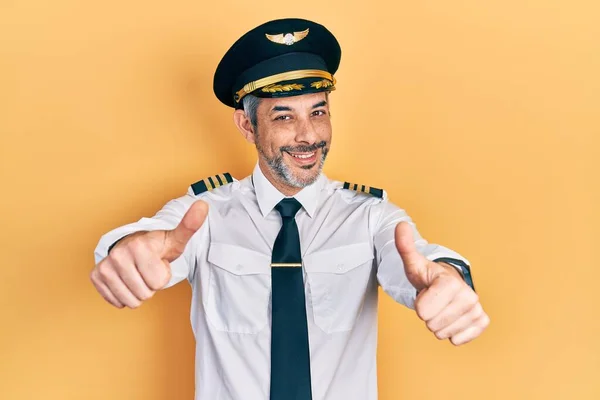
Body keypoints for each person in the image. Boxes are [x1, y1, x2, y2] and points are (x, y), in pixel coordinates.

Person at [91, 17, 489, 400]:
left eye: (318, 111)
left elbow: (418, 263)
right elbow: (148, 241)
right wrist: (127, 249)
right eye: (284, 116)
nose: (309, 136)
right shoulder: (203, 215)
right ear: (247, 127)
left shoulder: (371, 217)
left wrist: (449, 278)